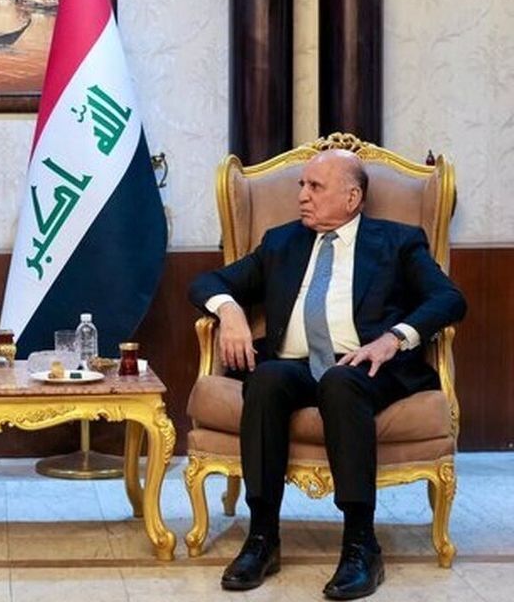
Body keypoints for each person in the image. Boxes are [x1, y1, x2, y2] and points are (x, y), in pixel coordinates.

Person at [189, 149, 466, 600]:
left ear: (352, 197)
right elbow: (206, 282)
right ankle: (262, 538)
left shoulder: (397, 241)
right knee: (266, 379)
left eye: (315, 187)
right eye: (302, 185)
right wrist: (231, 311)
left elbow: (449, 299)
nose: (302, 195)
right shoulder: (281, 242)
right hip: (295, 365)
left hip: (367, 365)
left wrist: (394, 338)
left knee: (340, 381)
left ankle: (361, 545)